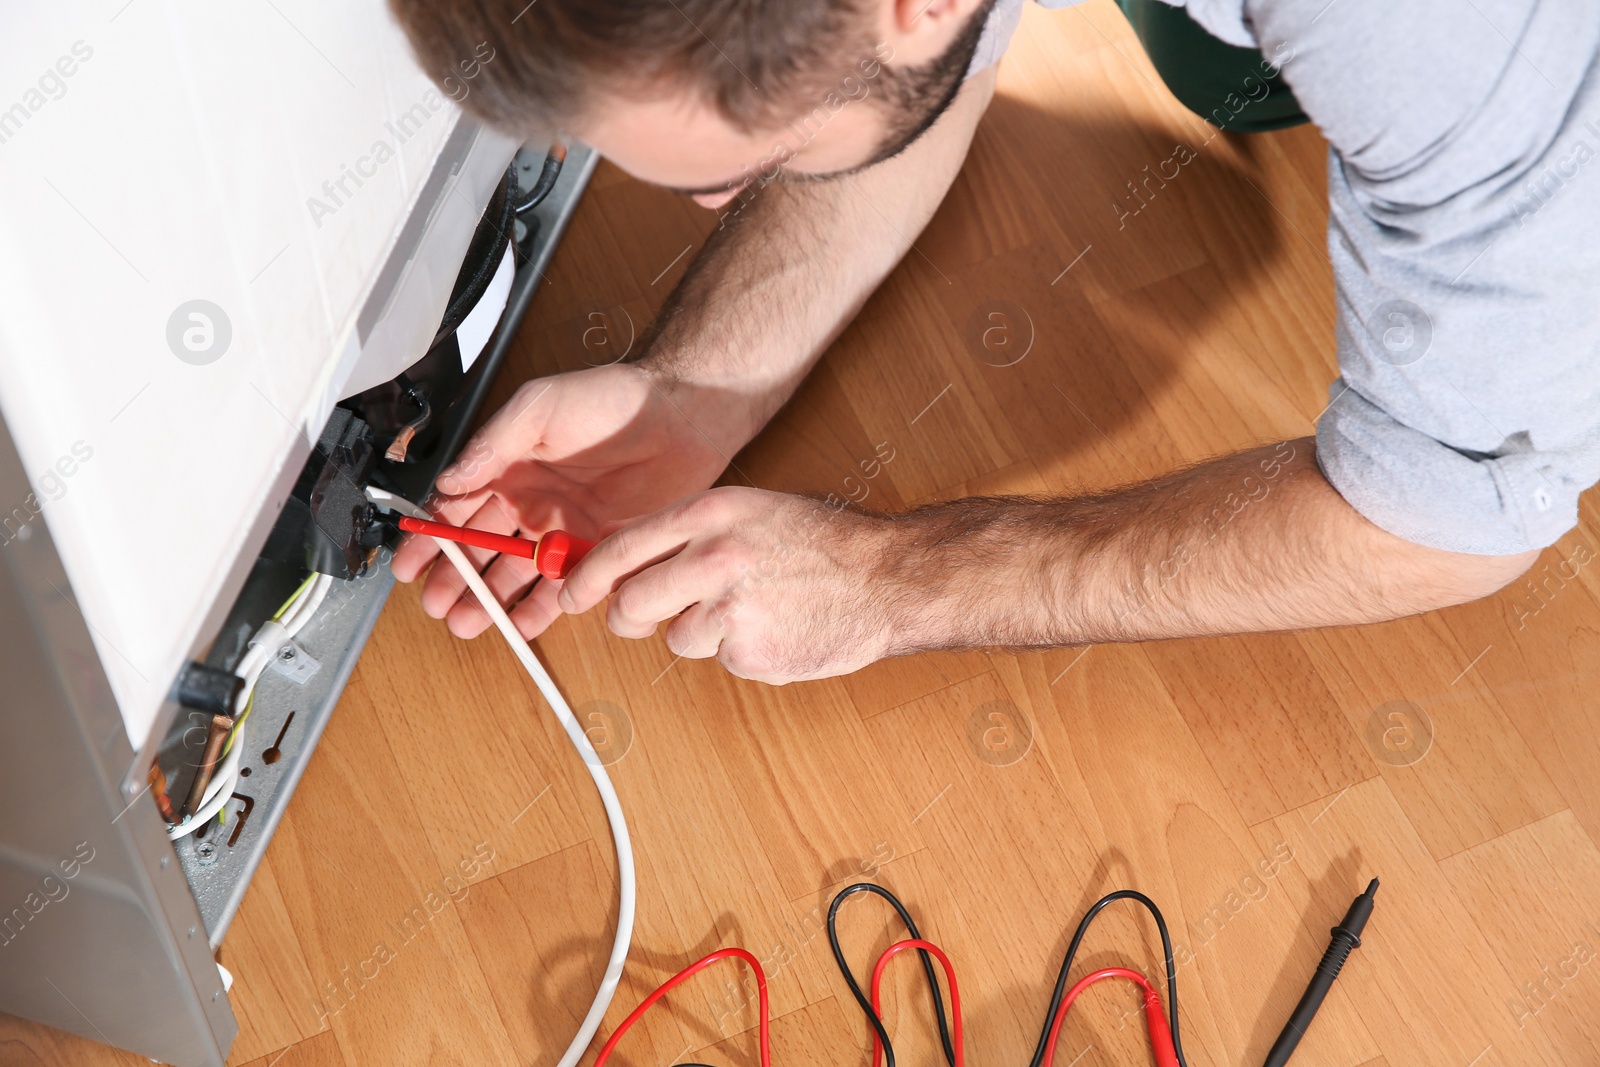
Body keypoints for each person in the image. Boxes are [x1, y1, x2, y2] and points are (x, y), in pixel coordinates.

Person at [386, 0, 1600, 684]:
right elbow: (905, 73)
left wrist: (889, 584)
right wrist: (698, 390)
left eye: (749, 170)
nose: (712, 208)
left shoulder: (1435, 38)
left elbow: (1445, 520)